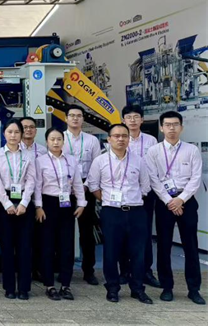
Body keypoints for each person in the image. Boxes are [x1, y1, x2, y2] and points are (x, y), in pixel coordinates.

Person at [86, 123, 153, 304]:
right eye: (116, 136)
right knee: (111, 252)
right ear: (109, 139)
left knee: (138, 252)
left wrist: (131, 199)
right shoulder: (100, 161)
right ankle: (112, 288)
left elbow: (145, 186)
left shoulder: (138, 160)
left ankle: (137, 289)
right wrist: (109, 200)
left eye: (124, 136)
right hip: (112, 212)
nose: (121, 139)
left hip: (136, 211)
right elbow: (93, 186)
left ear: (129, 139)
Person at [145, 111, 204, 304]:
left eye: (175, 124)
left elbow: (196, 178)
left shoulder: (191, 150)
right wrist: (169, 201)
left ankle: (194, 289)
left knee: (191, 245)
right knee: (164, 245)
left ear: (181, 127)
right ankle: (167, 287)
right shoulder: (153, 151)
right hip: (164, 203)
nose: (172, 128)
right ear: (161, 128)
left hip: (187, 201)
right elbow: (153, 179)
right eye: (168, 125)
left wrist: (181, 199)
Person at [35, 128, 86, 301]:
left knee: (66, 246)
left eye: (59, 139)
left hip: (66, 204)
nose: (56, 142)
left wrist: (81, 203)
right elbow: (37, 186)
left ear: (63, 141)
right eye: (52, 139)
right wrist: (38, 206)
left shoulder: (71, 160)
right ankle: (49, 285)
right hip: (47, 204)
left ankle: (65, 284)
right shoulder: (40, 161)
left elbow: (77, 183)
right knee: (47, 245)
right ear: (46, 142)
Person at [0, 119, 37, 300]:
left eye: (16, 132)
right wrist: (7, 204)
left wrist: (24, 203)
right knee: (7, 246)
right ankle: (9, 287)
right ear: (4, 134)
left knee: (25, 247)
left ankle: (24, 288)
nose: (13, 135)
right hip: (5, 202)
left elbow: (32, 180)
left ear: (21, 135)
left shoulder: (29, 155)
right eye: (10, 132)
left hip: (25, 201)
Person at [121, 104, 161, 288]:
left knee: (144, 233)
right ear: (123, 120)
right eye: (129, 117)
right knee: (123, 233)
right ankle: (124, 271)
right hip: (125, 193)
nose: (132, 120)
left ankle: (146, 271)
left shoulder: (151, 141)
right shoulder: (120, 138)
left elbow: (156, 166)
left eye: (136, 117)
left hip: (146, 193)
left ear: (142, 120)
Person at [64, 105, 102, 286]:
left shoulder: (92, 140)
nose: (75, 118)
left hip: (86, 189)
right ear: (66, 118)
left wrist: (84, 187)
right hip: (64, 190)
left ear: (83, 119)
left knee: (87, 232)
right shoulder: (59, 138)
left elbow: (96, 166)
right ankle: (65, 270)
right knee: (65, 232)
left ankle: (89, 271)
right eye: (72, 115)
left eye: (78, 115)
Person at [19, 116, 46, 283]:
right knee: (24, 237)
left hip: (40, 197)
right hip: (21, 197)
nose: (28, 130)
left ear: (36, 131)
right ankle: (24, 270)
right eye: (24, 127)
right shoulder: (14, 150)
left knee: (40, 236)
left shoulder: (43, 151)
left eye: (31, 127)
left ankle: (38, 269)